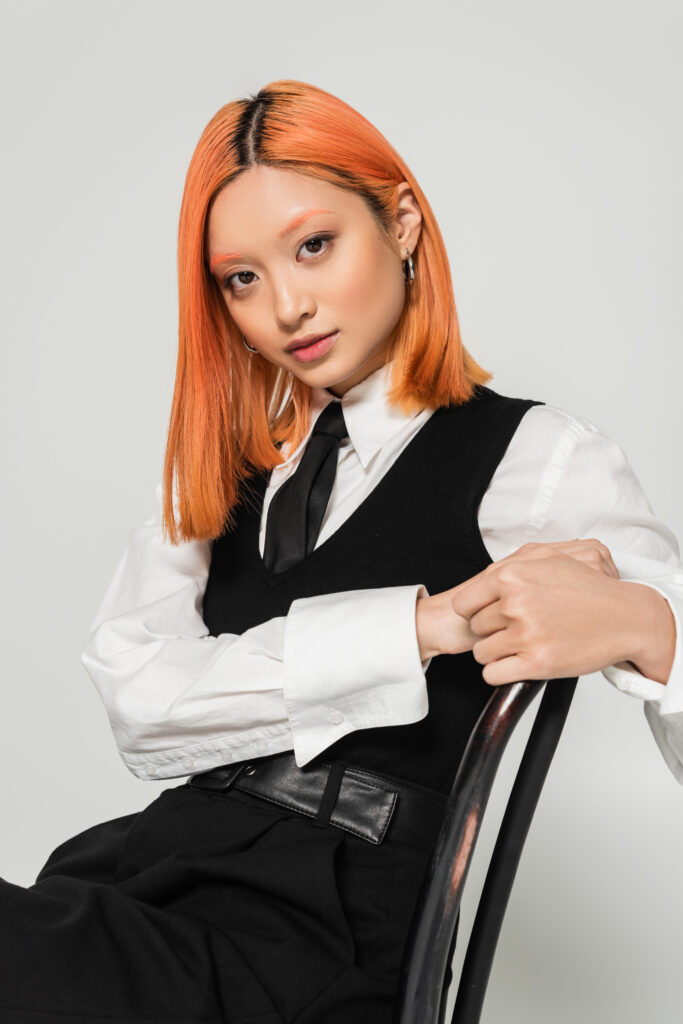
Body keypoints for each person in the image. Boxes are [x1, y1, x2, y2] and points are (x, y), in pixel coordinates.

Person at [1, 79, 681, 1024]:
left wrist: (655, 630)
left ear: (400, 223)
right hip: (149, 879)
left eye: (314, 246)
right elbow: (141, 708)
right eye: (241, 278)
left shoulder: (534, 457)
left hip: (317, 936)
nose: (285, 307)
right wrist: (420, 625)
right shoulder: (223, 483)